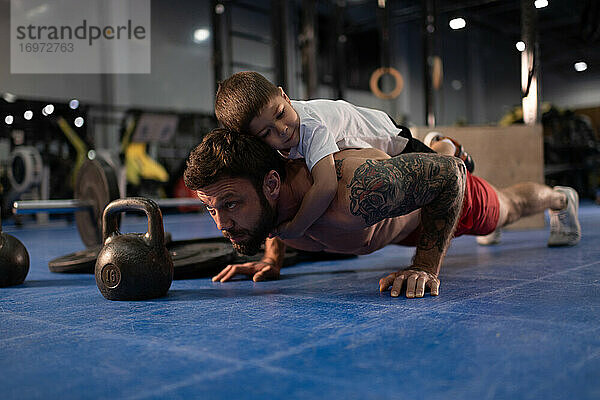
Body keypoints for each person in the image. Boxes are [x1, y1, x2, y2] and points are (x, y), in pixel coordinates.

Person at [183, 129, 581, 298]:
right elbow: (272, 215)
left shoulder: (351, 191)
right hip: (388, 220)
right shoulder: (266, 201)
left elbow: (450, 177)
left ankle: (560, 199)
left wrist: (426, 265)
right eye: (210, 208)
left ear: (272, 184)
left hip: (430, 202)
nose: (221, 223)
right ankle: (430, 146)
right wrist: (271, 258)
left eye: (230, 205)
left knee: (506, 209)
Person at [214, 71, 474, 241]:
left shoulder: (311, 126)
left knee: (438, 165)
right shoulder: (277, 133)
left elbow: (325, 186)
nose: (281, 131)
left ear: (285, 96)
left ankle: (446, 144)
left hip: (388, 135)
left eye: (281, 114)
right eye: (265, 132)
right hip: (356, 135)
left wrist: (297, 228)